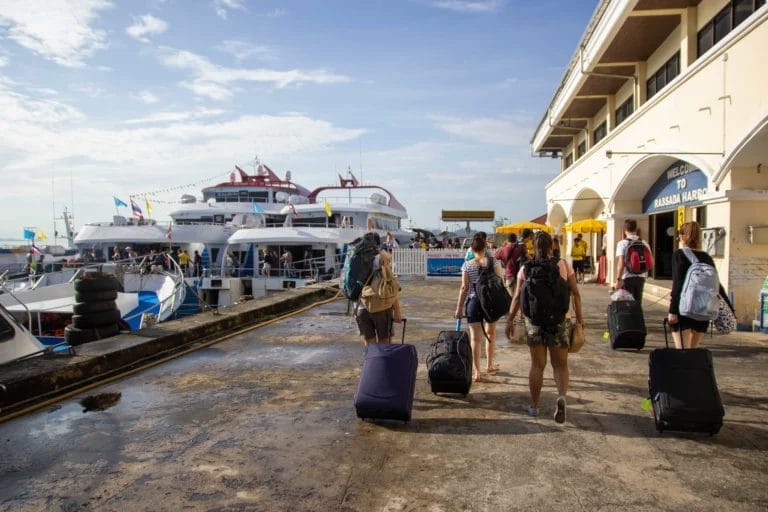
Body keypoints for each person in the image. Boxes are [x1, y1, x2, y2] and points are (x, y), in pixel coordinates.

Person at [506, 231, 583, 423]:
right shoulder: (564, 265)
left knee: (537, 365)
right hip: (560, 321)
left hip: (535, 323)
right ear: (552, 247)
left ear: (534, 246)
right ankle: (562, 397)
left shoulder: (526, 269)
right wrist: (580, 320)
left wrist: (510, 320)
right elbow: (576, 293)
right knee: (560, 364)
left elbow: (516, 297)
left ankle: (535, 406)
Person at [668, 221, 732, 349]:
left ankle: (685, 369)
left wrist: (672, 311)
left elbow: (678, 284)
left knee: (683, 352)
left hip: (683, 310)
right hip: (703, 310)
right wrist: (730, 308)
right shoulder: (707, 257)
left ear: (682, 236)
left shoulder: (679, 255)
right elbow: (717, 285)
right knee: (693, 352)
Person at [454, 232, 504, 382]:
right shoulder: (493, 262)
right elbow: (499, 281)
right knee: (491, 333)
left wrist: (459, 308)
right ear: (484, 248)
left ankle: (477, 372)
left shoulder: (467, 265)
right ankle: (489, 364)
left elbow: (464, 288)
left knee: (475, 339)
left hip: (474, 302)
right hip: (490, 303)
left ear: (472, 249)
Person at [355, 232, 403, 343]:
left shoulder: (356, 256)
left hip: (361, 307)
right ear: (377, 244)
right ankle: (382, 361)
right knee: (384, 343)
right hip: (381, 306)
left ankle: (371, 360)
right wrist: (397, 310)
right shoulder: (381, 257)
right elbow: (390, 285)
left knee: (369, 343)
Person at [614, 219, 653, 303]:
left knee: (625, 305)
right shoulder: (644, 243)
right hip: (641, 277)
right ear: (636, 229)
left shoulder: (622, 243)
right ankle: (638, 316)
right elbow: (652, 262)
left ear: (625, 230)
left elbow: (621, 263)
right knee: (637, 304)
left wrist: (618, 279)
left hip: (626, 278)